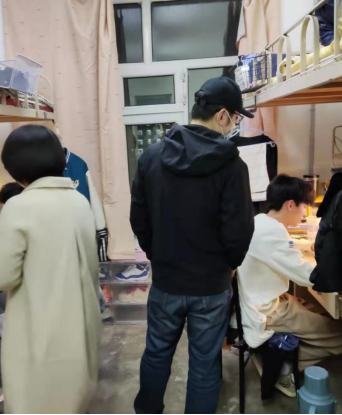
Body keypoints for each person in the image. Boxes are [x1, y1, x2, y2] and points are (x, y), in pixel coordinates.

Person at [131, 76, 255, 415]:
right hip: (211, 286)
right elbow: (240, 229)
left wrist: (157, 256)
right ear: (222, 115)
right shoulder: (233, 166)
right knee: (205, 365)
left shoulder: (151, 157)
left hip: (166, 281)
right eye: (236, 117)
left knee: (156, 353)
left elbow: (139, 218)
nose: (235, 124)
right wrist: (230, 265)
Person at [0, 125, 101, 414]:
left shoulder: (19, 206)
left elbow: (0, 276)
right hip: (81, 326)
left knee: (39, 401)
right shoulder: (79, 201)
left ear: (15, 168)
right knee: (73, 399)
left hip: (42, 333)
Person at [237, 175, 342, 397]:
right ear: (290, 205)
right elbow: (308, 277)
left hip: (266, 301)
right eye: (304, 207)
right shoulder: (271, 232)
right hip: (270, 311)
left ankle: (279, 355)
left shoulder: (260, 222)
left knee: (324, 316)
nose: (304, 213)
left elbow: (283, 255)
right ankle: (279, 362)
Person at [0, 182, 24, 387]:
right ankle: (17, 354)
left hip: (46, 300)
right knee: (0, 300)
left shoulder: (18, 225)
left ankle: (4, 386)